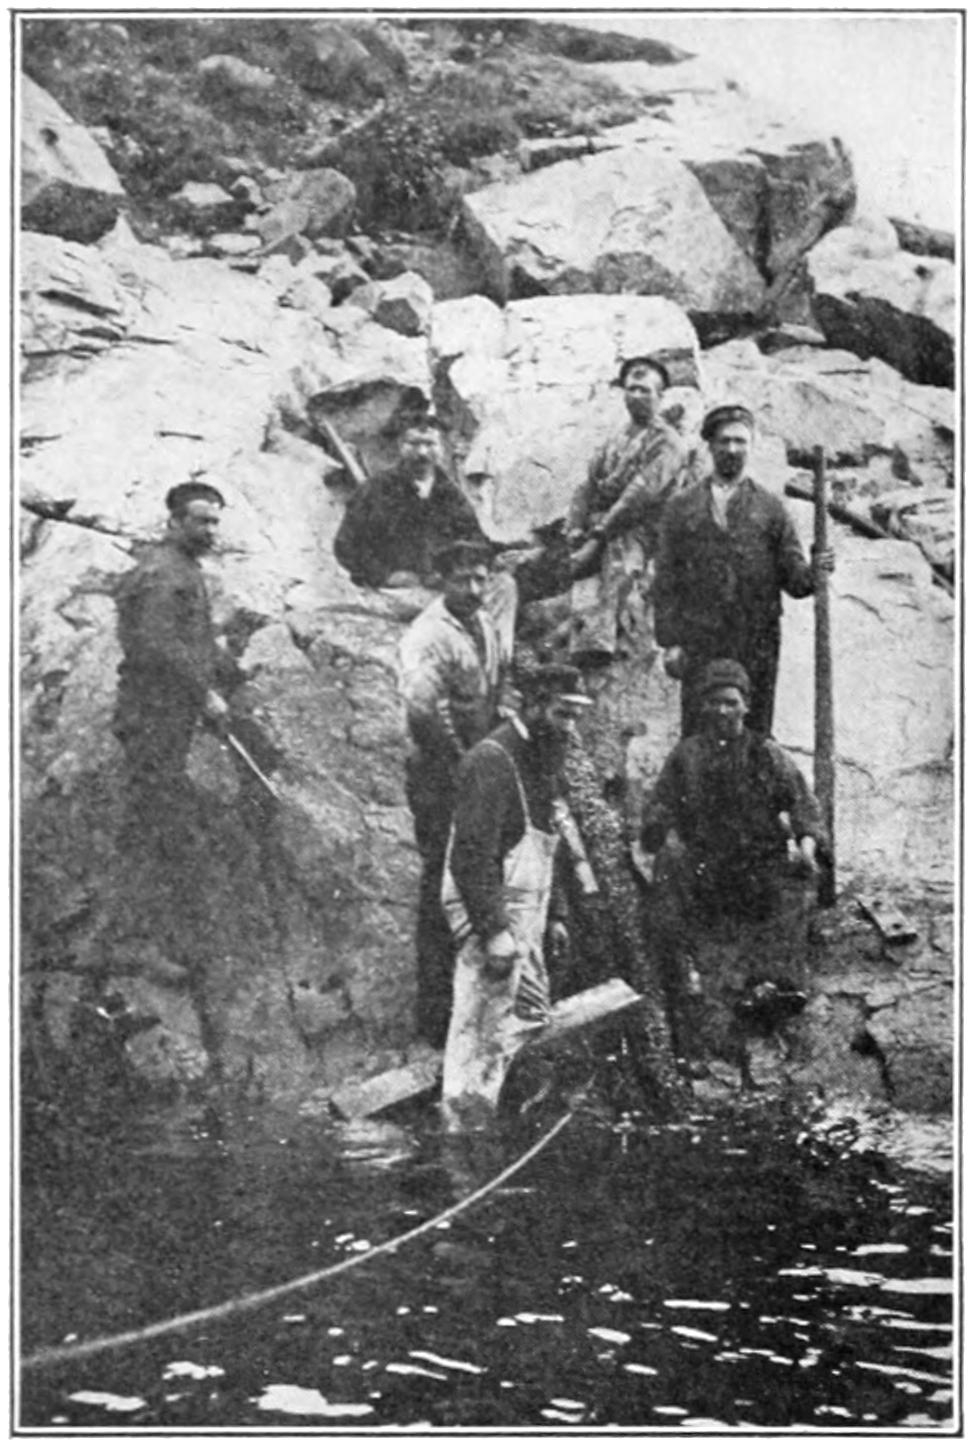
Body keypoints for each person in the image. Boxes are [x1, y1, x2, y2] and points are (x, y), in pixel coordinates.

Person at [640, 658, 828, 1076]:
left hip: (760, 864)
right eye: (714, 703)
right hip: (710, 867)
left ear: (745, 706)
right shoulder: (686, 756)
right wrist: (663, 834)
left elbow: (801, 804)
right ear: (703, 708)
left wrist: (808, 843)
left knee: (794, 888)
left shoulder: (765, 753)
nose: (722, 711)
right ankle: (706, 998)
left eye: (730, 702)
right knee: (702, 942)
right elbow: (659, 807)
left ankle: (778, 985)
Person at [440, 664, 593, 1127]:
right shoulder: (492, 760)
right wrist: (494, 933)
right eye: (561, 714)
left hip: (528, 911)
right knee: (479, 1025)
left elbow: (552, 847)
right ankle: (462, 1135)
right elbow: (470, 858)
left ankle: (500, 1119)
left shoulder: (544, 759)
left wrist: (558, 915)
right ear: (531, 706)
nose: (570, 728)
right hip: (488, 911)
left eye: (574, 716)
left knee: (527, 1015)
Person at [113, 480, 276, 852]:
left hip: (168, 703)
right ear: (174, 522)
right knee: (153, 800)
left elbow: (193, 638)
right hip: (152, 706)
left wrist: (229, 670)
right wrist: (203, 694)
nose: (211, 531)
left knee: (160, 797)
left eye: (215, 523)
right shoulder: (164, 574)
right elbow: (158, 644)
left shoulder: (183, 568)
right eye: (201, 522)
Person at [654, 403, 834, 737]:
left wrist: (816, 570)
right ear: (709, 445)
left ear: (751, 446)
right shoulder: (681, 507)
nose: (732, 449)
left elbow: (794, 580)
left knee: (754, 726)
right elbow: (666, 577)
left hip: (756, 637)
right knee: (698, 726)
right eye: (724, 441)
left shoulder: (770, 508)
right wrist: (670, 642)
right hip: (700, 637)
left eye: (740, 441)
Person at [397, 540, 513, 1048]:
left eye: (480, 578)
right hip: (440, 772)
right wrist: (459, 763)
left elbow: (495, 682)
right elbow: (423, 712)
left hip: (478, 762)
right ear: (441, 580)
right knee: (440, 885)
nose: (472, 588)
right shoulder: (427, 634)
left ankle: (477, 1003)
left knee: (480, 869)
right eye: (462, 579)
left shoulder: (483, 622)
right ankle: (434, 1016)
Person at [332, 398, 518, 654]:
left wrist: (492, 559)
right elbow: (346, 546)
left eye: (429, 444)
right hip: (400, 591)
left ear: (440, 447)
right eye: (414, 444)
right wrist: (384, 574)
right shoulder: (376, 490)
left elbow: (473, 538)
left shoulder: (449, 493)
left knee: (505, 587)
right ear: (400, 446)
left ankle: (497, 663)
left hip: (442, 585)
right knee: (454, 612)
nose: (422, 453)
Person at [562, 355, 688, 663]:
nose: (636, 396)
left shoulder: (669, 443)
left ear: (661, 396)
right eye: (631, 389)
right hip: (602, 522)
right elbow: (587, 485)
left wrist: (596, 539)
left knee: (621, 557)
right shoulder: (615, 438)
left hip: (644, 529)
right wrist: (576, 527)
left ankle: (598, 639)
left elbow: (637, 497)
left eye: (645, 390)